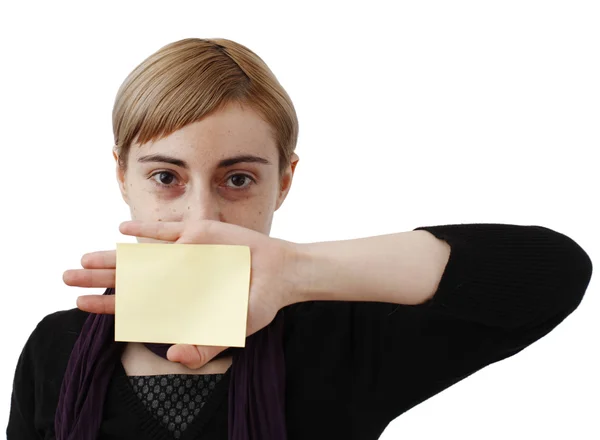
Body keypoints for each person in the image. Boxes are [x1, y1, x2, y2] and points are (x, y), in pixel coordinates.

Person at [7, 37, 593, 440]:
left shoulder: (344, 335)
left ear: (284, 180)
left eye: (238, 179)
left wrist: (298, 271)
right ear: (121, 176)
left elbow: (552, 271)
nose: (201, 217)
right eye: (166, 177)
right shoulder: (57, 346)